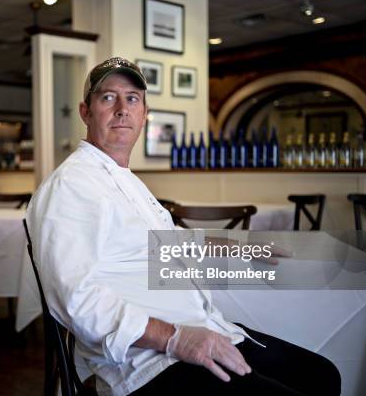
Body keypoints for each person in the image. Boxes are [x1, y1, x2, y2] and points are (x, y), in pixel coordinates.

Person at [26, 57, 340, 395]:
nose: (122, 109)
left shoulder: (124, 181)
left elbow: (170, 242)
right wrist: (177, 339)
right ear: (85, 112)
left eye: (132, 99)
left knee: (321, 376)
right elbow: (77, 301)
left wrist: (241, 247)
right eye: (107, 97)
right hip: (145, 362)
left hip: (200, 329)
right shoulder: (71, 185)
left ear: (144, 115)